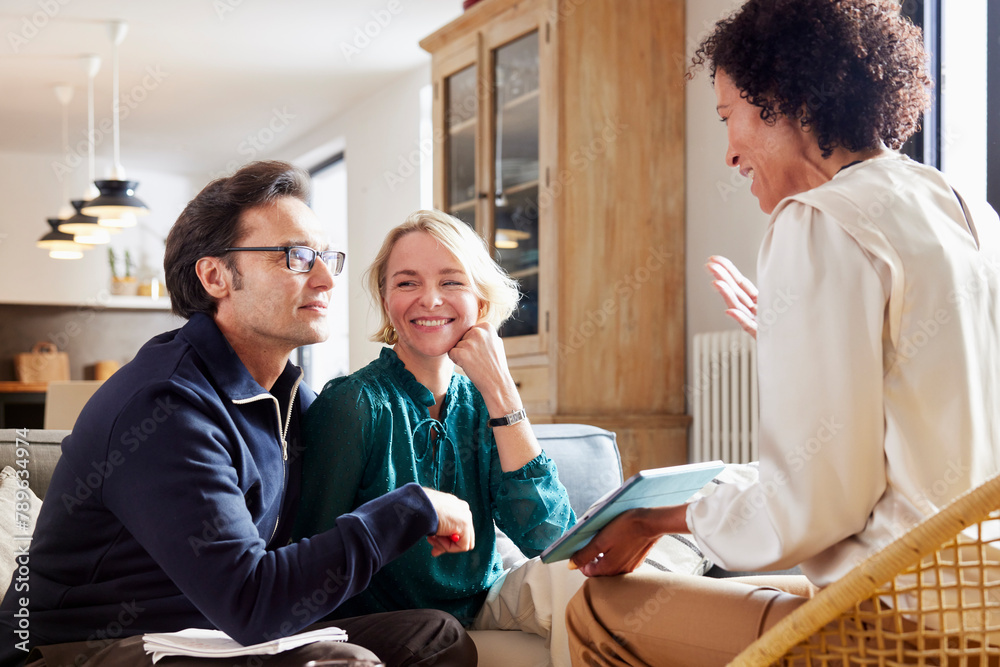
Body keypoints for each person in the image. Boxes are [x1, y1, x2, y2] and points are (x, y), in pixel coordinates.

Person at [564, 1, 1000, 664]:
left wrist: (653, 517)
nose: (731, 151)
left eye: (727, 116)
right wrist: (794, 339)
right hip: (983, 609)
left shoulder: (818, 220)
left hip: (907, 628)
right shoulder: (965, 209)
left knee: (600, 609)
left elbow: (811, 505)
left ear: (786, 100)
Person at [0, 161, 478, 667]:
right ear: (215, 276)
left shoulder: (288, 398)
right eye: (294, 257)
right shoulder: (166, 407)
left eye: (324, 257)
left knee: (436, 637)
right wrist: (408, 509)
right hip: (76, 650)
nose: (324, 278)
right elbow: (252, 602)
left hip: (211, 635)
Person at [294, 210, 578, 650]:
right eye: (407, 283)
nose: (429, 300)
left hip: (485, 606)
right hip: (397, 632)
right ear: (386, 299)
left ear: (480, 300)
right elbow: (313, 561)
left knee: (593, 582)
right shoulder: (352, 405)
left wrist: (503, 393)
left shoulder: (485, 398)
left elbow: (551, 537)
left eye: (451, 282)